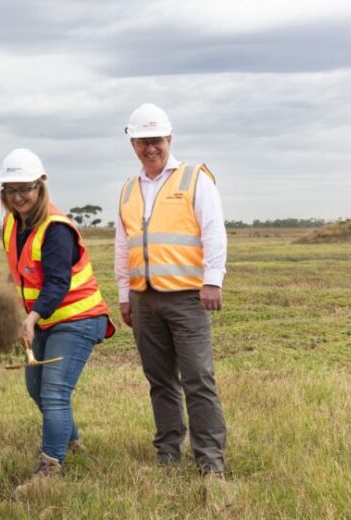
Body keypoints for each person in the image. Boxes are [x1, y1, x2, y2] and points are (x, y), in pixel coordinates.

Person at [114, 103, 228, 477]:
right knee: (159, 380)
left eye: (156, 140)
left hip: (188, 298)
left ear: (170, 139)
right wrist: (124, 295)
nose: (150, 148)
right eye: (142, 141)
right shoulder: (129, 188)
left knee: (198, 378)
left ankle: (209, 459)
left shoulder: (194, 178)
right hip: (144, 299)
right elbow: (123, 244)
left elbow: (213, 231)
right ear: (133, 144)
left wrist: (212, 280)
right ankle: (167, 451)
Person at [0, 148, 115, 495]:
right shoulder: (12, 223)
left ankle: (48, 469)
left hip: (79, 318)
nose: (18, 198)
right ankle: (72, 441)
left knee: (54, 391)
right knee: (35, 387)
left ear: (41, 185)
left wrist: (31, 318)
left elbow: (57, 283)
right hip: (48, 320)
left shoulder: (56, 228)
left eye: (26, 189)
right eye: (10, 191)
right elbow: (23, 272)